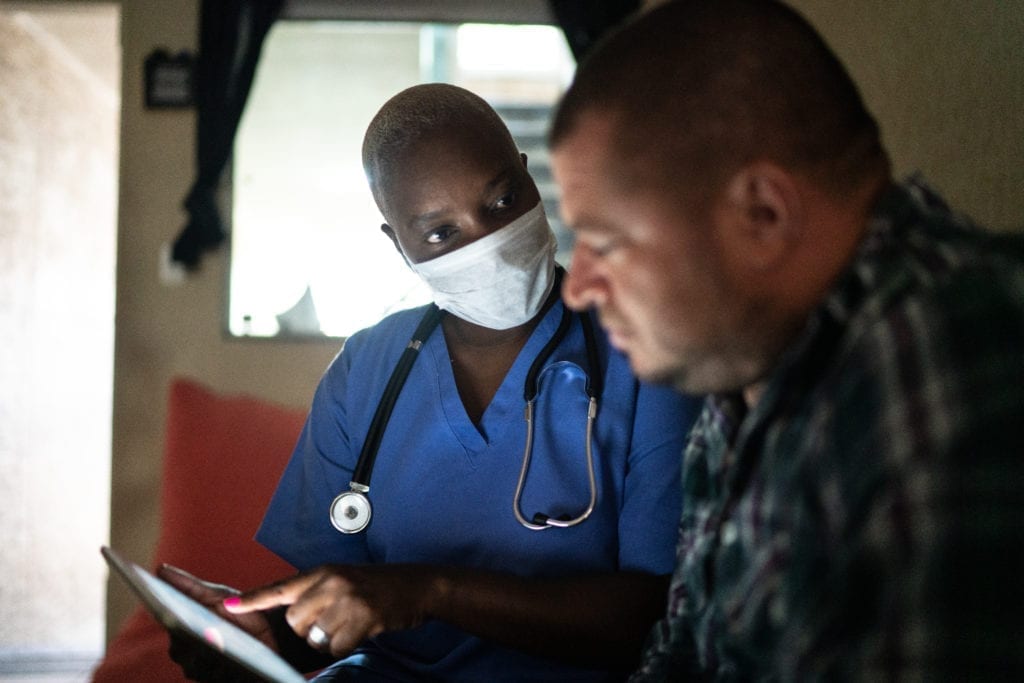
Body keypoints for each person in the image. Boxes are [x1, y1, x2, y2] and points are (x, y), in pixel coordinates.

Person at [160, 82, 702, 682]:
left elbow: (653, 619)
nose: (487, 241)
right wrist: (262, 643)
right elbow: (339, 614)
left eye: (501, 201)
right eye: (441, 233)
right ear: (399, 245)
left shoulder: (641, 354)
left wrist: (429, 590)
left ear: (528, 179)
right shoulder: (366, 371)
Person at [548, 0, 1024, 679]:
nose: (578, 286)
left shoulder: (950, 351)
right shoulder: (743, 369)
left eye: (605, 241)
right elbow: (684, 656)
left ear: (764, 213)